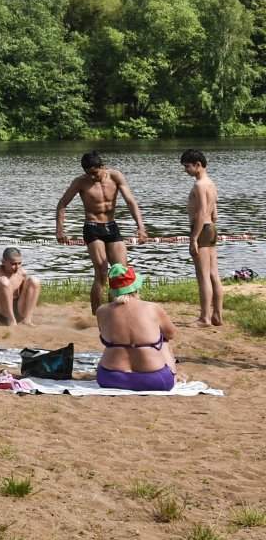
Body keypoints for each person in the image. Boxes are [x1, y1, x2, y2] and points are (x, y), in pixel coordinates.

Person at [54, 151, 146, 314]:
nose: (92, 177)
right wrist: (60, 230)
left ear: (102, 166)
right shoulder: (80, 182)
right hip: (92, 227)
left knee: (121, 271)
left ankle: (116, 312)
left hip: (111, 226)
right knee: (102, 272)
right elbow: (62, 204)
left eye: (95, 173)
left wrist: (141, 227)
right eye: (88, 174)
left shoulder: (115, 176)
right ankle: (96, 314)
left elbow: (130, 201)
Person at [94, 264, 181, 392]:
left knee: (114, 343)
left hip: (110, 377)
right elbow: (171, 334)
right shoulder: (152, 308)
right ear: (135, 288)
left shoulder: (102, 311)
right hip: (155, 379)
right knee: (164, 339)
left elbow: (104, 335)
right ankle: (174, 374)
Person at [181, 148, 223, 327]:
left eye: (187, 166)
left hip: (202, 229)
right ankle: (217, 316)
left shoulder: (199, 185)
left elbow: (202, 212)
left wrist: (193, 238)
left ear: (198, 165)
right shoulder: (211, 183)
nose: (185, 170)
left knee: (203, 276)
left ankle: (204, 318)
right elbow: (214, 213)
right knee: (214, 274)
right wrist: (209, 227)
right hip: (211, 228)